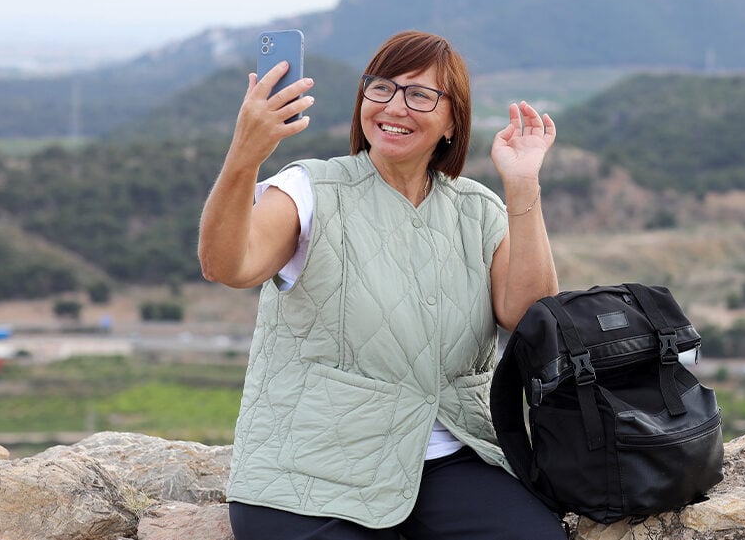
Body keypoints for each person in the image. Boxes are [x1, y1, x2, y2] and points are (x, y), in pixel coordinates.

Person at [198, 30, 566, 540]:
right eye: (382, 89)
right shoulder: (310, 189)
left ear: (453, 121)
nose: (395, 107)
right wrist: (245, 154)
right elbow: (227, 265)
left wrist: (523, 185)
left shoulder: (477, 209)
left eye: (420, 95)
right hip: (309, 472)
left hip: (450, 462)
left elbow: (527, 313)